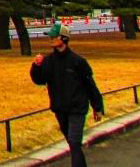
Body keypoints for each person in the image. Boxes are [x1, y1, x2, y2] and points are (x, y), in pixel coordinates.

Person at [30, 22, 104, 167]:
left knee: (74, 141)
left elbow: (90, 86)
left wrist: (97, 106)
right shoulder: (48, 61)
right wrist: (36, 67)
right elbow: (39, 80)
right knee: (72, 143)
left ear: (64, 38)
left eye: (54, 36)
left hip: (77, 109)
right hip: (60, 109)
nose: (51, 39)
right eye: (50, 36)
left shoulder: (78, 62)